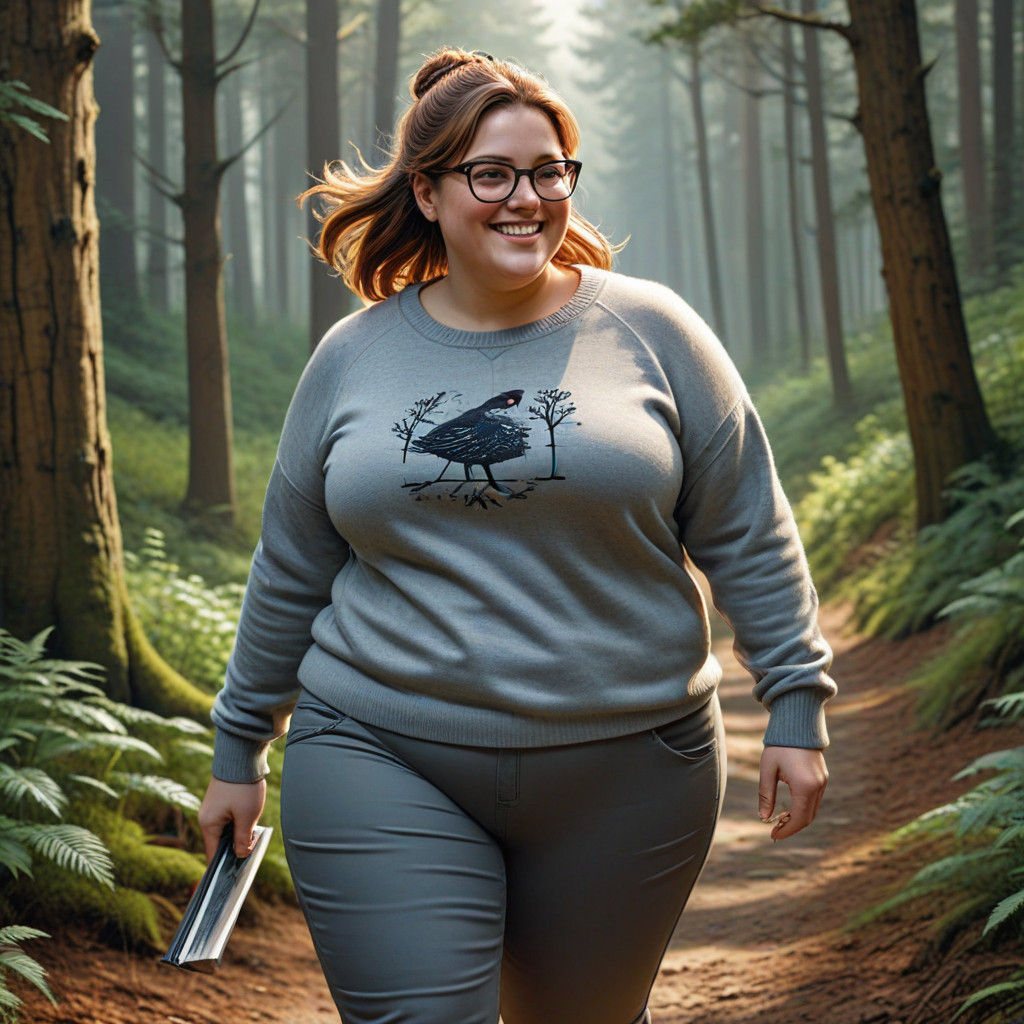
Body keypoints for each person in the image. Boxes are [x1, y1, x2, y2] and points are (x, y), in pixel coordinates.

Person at [198, 46, 836, 1024]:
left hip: (630, 768)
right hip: (379, 748)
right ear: (427, 190)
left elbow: (748, 528)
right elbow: (292, 564)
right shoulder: (352, 358)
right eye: (491, 174)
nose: (526, 198)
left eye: (548, 172)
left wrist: (794, 702)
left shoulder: (654, 330)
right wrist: (239, 744)